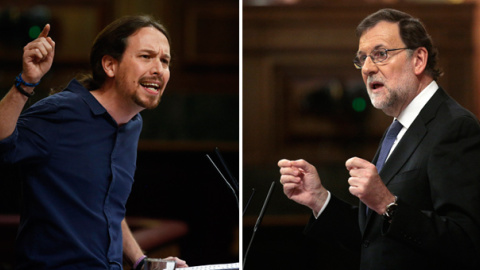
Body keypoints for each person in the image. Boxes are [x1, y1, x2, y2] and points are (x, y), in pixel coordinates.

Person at [278, 8, 480, 270]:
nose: (368, 68)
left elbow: (467, 242)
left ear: (418, 59)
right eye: (362, 59)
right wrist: (319, 199)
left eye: (381, 54)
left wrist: (388, 204)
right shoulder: (399, 127)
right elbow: (374, 239)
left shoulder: (454, 127)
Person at [0, 15, 188, 269]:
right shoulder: (63, 111)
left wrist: (141, 261)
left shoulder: (132, 124)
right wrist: (26, 83)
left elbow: (107, 208)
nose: (159, 69)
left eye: (164, 61)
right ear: (110, 65)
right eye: (146, 56)